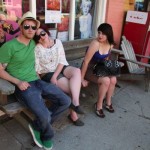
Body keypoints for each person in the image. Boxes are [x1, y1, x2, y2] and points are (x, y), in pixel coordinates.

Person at [0, 11, 71, 150]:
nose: (30, 30)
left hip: (37, 80)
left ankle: (37, 125)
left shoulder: (34, 43)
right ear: (20, 28)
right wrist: (17, 82)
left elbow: (50, 45)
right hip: (24, 86)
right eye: (26, 26)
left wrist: (45, 36)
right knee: (44, 114)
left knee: (65, 101)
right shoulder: (8, 47)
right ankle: (47, 135)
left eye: (33, 27)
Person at [33, 27, 85, 126]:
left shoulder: (57, 42)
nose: (42, 36)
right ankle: (73, 115)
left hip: (60, 67)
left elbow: (62, 60)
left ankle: (75, 103)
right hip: (47, 73)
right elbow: (37, 68)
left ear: (47, 32)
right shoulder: (37, 48)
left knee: (77, 71)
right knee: (72, 88)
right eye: (38, 36)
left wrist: (55, 76)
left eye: (43, 33)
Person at [81, 23, 116, 118]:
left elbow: (106, 59)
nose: (100, 36)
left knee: (113, 79)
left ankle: (108, 102)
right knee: (106, 80)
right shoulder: (95, 44)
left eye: (103, 34)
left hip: (99, 67)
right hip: (89, 69)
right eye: (99, 32)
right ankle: (98, 105)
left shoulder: (110, 44)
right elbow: (85, 62)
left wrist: (108, 71)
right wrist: (81, 78)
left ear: (108, 35)